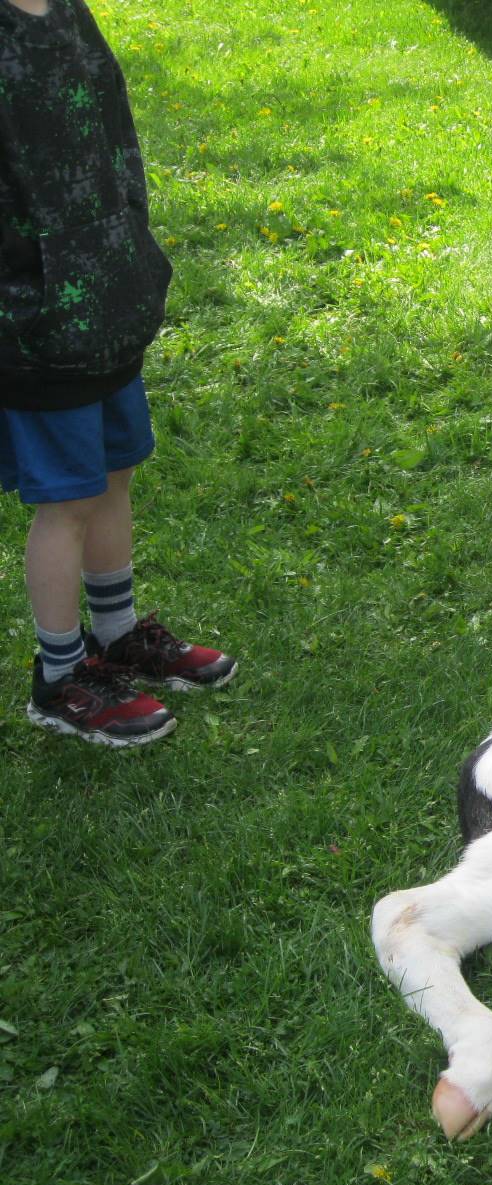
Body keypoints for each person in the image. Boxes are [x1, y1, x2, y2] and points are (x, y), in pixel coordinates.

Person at [2, 0, 236, 747]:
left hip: (105, 298)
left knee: (113, 474)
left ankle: (117, 634)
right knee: (66, 499)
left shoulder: (67, 11)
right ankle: (60, 676)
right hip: (37, 319)